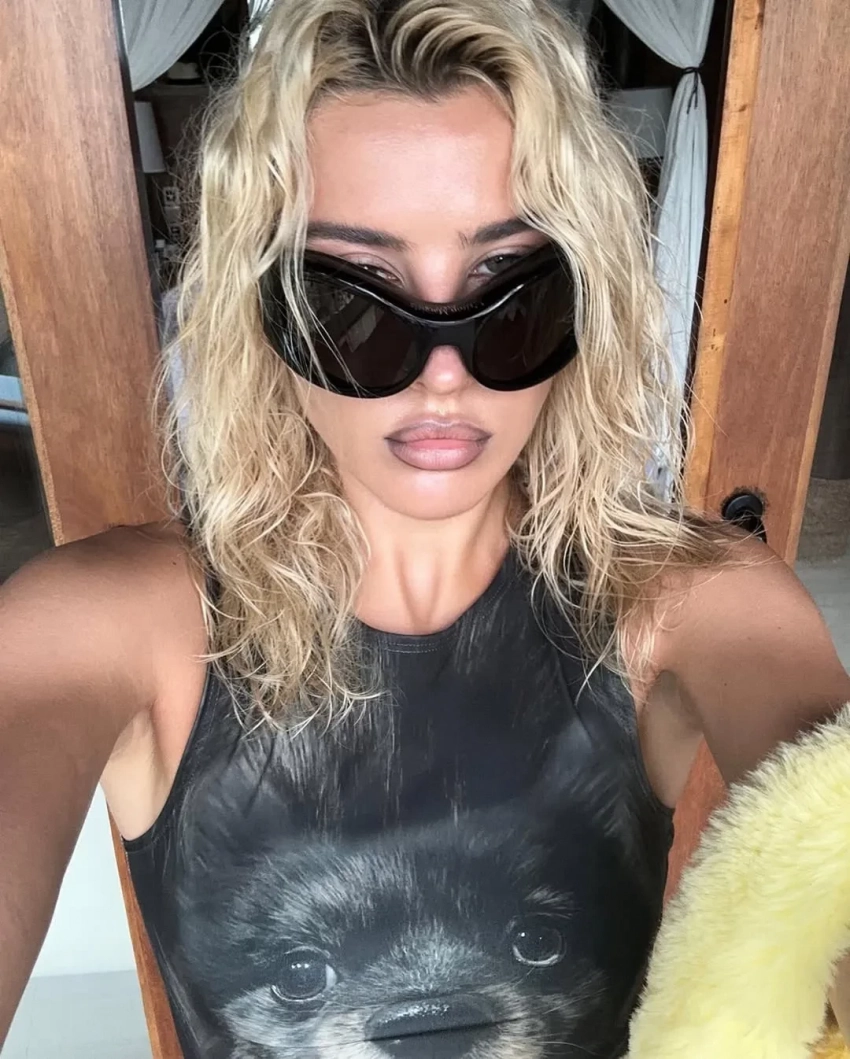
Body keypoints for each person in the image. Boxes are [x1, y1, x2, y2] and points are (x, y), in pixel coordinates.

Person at [1, 0, 848, 1055]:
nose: (443, 376)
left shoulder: (696, 606)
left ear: (591, 300)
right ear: (258, 313)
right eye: (353, 302)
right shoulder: (106, 625)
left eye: (511, 295)